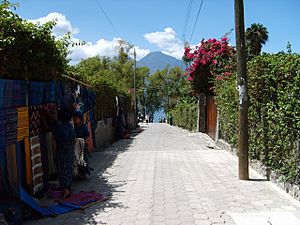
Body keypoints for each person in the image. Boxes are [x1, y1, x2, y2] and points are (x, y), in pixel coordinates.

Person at [52, 108, 75, 198]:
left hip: (61, 148)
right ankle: (68, 187)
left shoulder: (57, 127)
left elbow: (55, 140)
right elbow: (73, 138)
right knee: (68, 167)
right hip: (69, 148)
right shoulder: (70, 126)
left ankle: (65, 189)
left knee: (62, 168)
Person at [73, 111, 90, 178]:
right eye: (74, 118)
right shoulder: (73, 127)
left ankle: (83, 173)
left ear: (80, 119)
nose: (75, 120)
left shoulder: (83, 127)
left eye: (76, 118)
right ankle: (77, 173)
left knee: (83, 160)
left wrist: (87, 144)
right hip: (76, 147)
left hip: (82, 146)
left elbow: (87, 136)